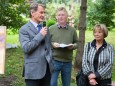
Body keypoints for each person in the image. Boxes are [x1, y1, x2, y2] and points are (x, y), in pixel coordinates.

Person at [19, 2, 54, 86]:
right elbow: (26, 48)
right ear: (32, 13)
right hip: (33, 71)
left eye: (44, 12)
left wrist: (51, 61)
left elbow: (48, 47)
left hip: (47, 70)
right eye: (41, 12)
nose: (43, 15)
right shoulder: (24, 29)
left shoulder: (45, 28)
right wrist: (40, 35)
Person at [49, 7, 78, 86]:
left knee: (66, 84)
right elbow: (46, 42)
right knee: (52, 83)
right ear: (56, 17)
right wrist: (53, 44)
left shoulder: (72, 30)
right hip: (55, 61)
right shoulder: (51, 29)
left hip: (67, 62)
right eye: (59, 15)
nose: (61, 17)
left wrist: (72, 46)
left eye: (63, 15)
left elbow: (77, 43)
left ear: (66, 16)